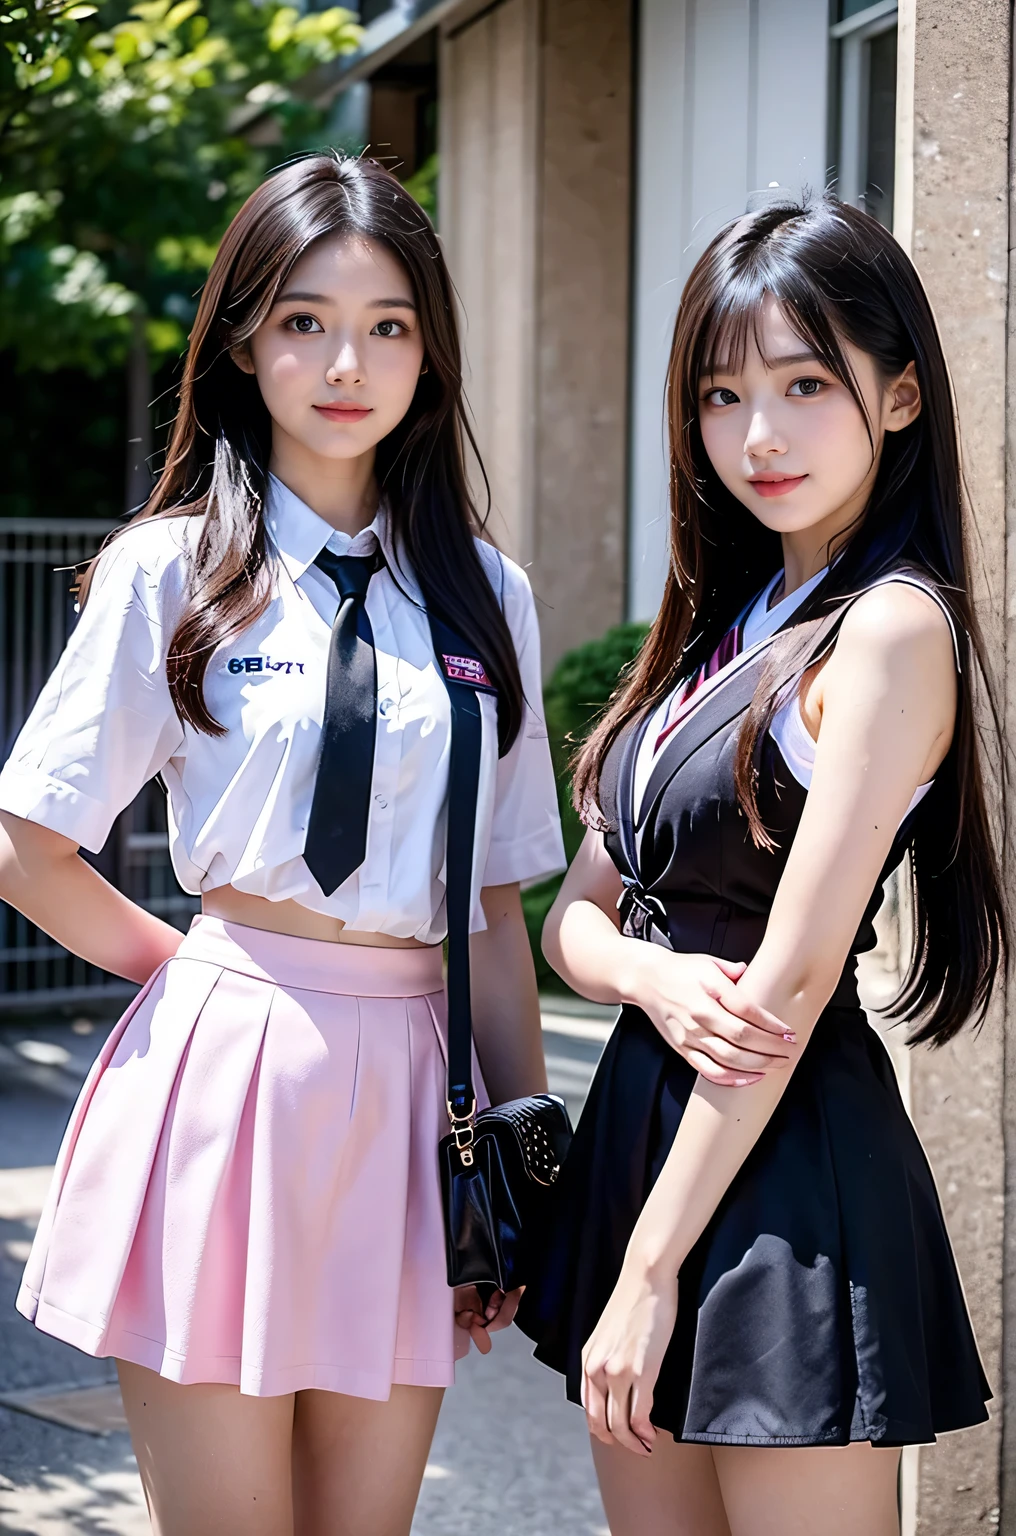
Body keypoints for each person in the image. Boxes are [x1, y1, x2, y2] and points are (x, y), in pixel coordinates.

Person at [0, 152, 565, 1536]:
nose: (346, 362)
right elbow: (26, 840)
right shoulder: (169, 572)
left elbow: (490, 903)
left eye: (389, 326)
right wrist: (191, 984)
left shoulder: (489, 594)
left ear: (430, 354)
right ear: (246, 339)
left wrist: (525, 1141)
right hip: (224, 1077)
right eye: (305, 320)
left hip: (417, 1099)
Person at [516, 191, 1005, 1536]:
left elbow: (783, 986)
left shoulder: (893, 630)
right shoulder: (725, 617)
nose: (760, 434)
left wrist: (651, 1269)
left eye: (805, 384)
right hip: (652, 1135)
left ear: (901, 398)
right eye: (724, 397)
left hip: (786, 1174)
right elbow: (578, 915)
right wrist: (659, 983)